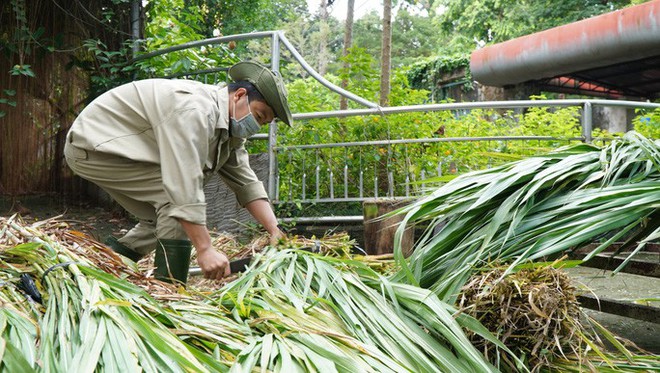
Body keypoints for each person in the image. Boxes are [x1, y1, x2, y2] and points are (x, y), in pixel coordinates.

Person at [64, 61, 292, 284]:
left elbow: (245, 180)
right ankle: (171, 295)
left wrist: (274, 230)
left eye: (263, 123)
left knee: (165, 218)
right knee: (174, 208)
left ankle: (95, 269)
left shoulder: (229, 130)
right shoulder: (196, 111)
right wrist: (205, 249)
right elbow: (183, 187)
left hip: (117, 147)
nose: (256, 126)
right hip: (94, 144)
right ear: (239, 95)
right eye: (259, 116)